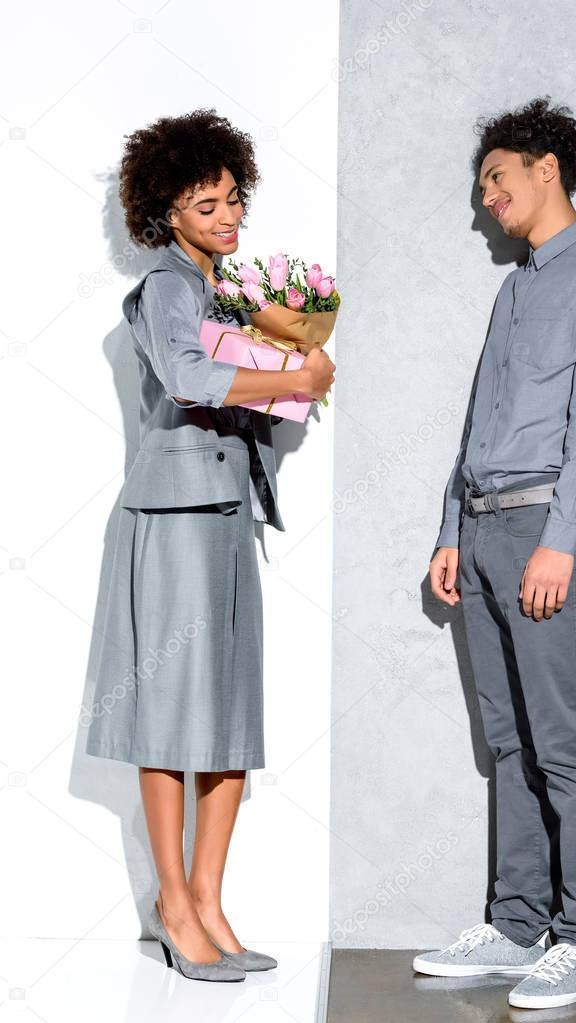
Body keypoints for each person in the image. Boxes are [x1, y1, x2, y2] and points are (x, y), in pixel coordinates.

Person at [83, 108, 335, 982]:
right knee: (173, 715)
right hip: (174, 515)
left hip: (228, 508)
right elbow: (190, 380)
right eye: (204, 205)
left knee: (229, 715)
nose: (226, 217)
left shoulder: (224, 287)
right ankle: (172, 903)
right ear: (165, 213)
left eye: (231, 199)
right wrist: (294, 375)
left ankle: (209, 897)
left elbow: (245, 384)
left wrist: (296, 366)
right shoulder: (163, 287)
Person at [416, 97, 576, 1010]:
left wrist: (559, 541)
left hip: (542, 529)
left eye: (496, 179)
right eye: (482, 187)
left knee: (562, 738)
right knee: (507, 738)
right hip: (479, 530)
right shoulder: (515, 287)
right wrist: (449, 527)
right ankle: (516, 925)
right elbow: (477, 420)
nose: (486, 201)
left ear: (544, 166)